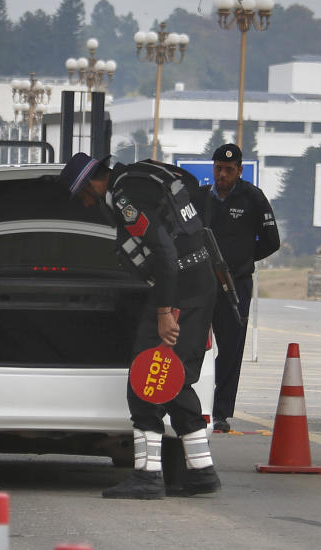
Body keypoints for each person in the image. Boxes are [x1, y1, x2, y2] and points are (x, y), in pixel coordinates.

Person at [59, 152, 221, 499]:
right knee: (173, 375)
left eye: (83, 195)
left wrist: (164, 311)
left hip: (177, 289)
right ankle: (202, 469)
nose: (86, 204)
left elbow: (163, 251)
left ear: (90, 183)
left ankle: (147, 476)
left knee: (146, 375)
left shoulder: (123, 196)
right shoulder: (142, 176)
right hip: (200, 282)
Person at [197, 143, 280, 432]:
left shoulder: (252, 198)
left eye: (229, 170)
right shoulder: (202, 198)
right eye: (218, 168)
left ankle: (220, 412)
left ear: (240, 170)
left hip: (236, 285)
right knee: (195, 345)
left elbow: (272, 241)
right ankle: (195, 405)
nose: (222, 174)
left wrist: (244, 259)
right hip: (203, 283)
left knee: (231, 350)